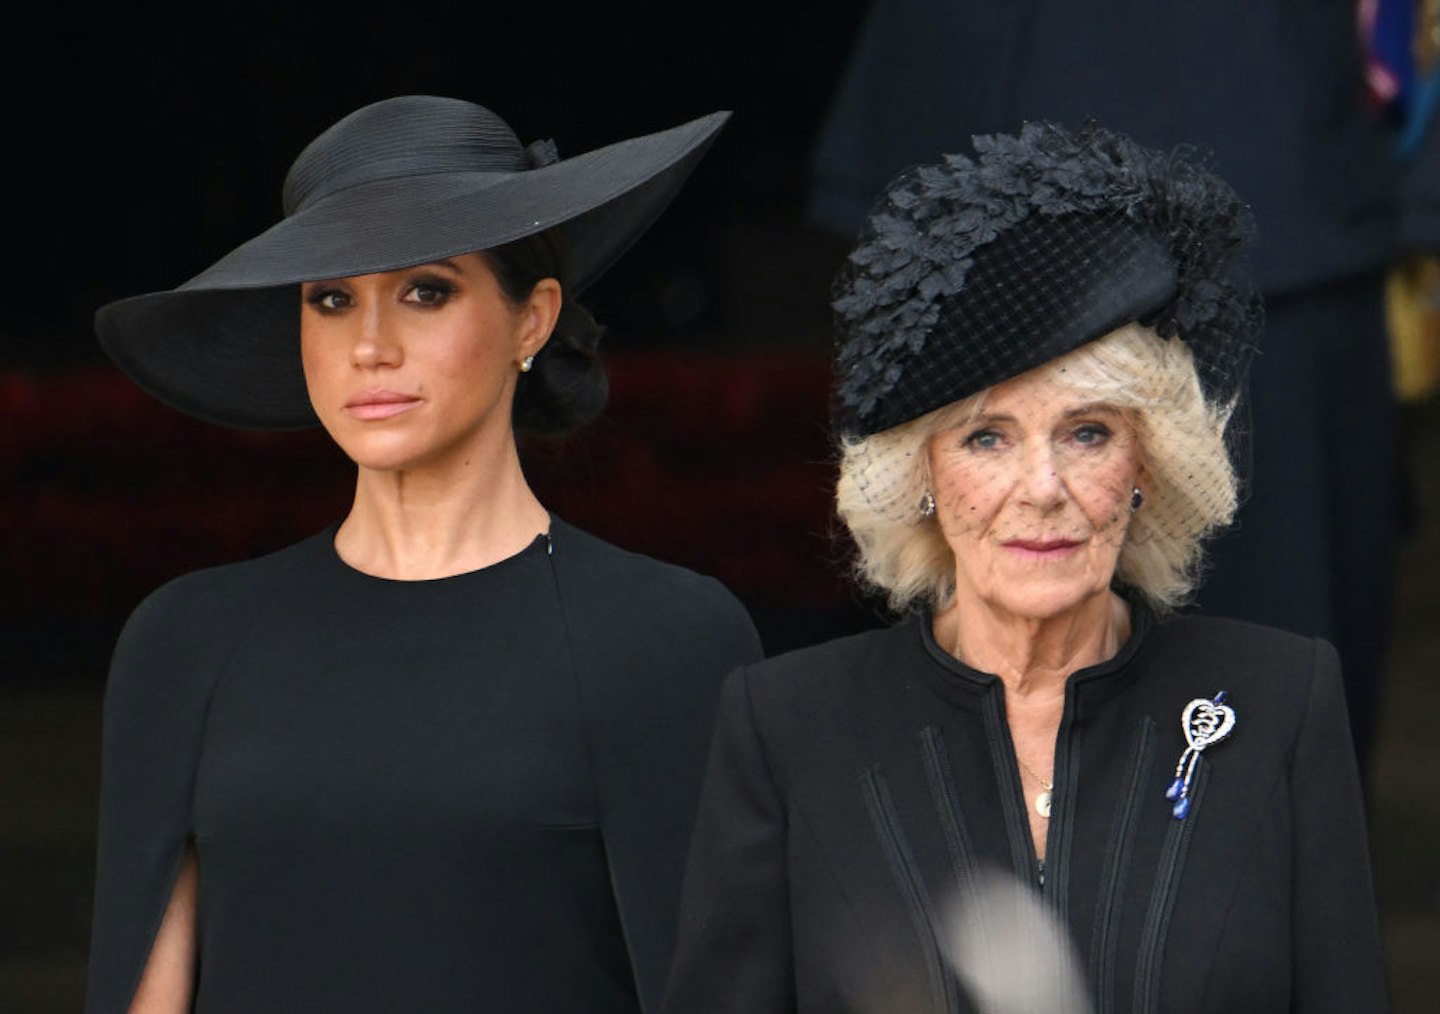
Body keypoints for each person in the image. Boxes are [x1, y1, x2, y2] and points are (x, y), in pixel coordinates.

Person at [663, 123, 1387, 1013]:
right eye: (986, 438)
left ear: (1146, 466)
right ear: (922, 475)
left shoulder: (1280, 701)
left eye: (1087, 433)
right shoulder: (785, 727)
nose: (1042, 488)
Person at [85, 95, 762, 1014]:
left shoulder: (668, 636)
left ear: (533, 319)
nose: (370, 346)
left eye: (425, 291)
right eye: (332, 299)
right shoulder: (185, 642)